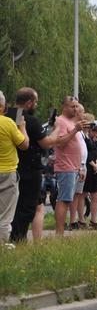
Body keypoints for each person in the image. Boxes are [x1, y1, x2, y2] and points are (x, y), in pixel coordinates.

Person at [5, 87, 59, 242]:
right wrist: (57, 130)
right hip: (29, 169)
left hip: (11, 167)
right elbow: (46, 143)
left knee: (11, 206)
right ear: (29, 103)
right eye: (35, 102)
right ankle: (17, 239)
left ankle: (9, 238)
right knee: (27, 207)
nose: (36, 105)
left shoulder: (7, 116)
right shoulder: (30, 120)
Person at [53, 96, 87, 236]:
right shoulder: (60, 121)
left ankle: (60, 233)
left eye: (76, 106)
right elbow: (60, 142)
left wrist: (80, 166)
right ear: (65, 107)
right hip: (65, 166)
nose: (76, 109)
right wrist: (75, 130)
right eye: (73, 106)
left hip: (73, 167)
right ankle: (59, 233)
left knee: (68, 199)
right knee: (64, 200)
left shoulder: (69, 122)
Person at [0, 90, 29, 245]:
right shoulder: (8, 123)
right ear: (2, 107)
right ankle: (2, 249)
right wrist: (22, 127)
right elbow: (24, 145)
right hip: (7, 173)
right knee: (5, 216)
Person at [69, 109, 93, 230]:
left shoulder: (82, 133)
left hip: (82, 165)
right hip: (77, 165)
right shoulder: (75, 129)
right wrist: (79, 165)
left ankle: (78, 220)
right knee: (73, 194)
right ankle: (72, 221)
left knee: (78, 194)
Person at [84, 124, 97, 230]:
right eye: (94, 131)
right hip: (87, 166)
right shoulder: (85, 138)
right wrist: (93, 163)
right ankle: (80, 220)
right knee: (82, 194)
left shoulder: (96, 140)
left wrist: (96, 163)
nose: (96, 133)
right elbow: (85, 154)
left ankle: (93, 220)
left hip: (94, 168)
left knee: (96, 194)